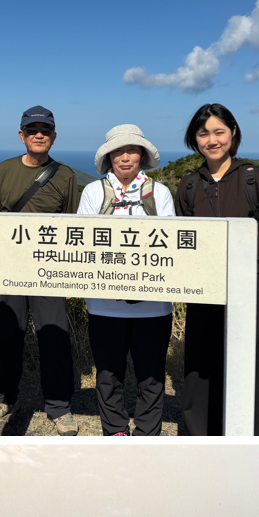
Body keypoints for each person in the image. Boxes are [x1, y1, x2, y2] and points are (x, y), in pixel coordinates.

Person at [174, 104, 259, 434]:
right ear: (194, 139)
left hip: (253, 291)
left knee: (250, 370)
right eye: (203, 133)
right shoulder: (188, 186)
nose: (212, 140)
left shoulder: (257, 180)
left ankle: (245, 442)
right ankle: (201, 443)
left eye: (219, 131)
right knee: (199, 373)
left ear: (233, 133)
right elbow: (183, 244)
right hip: (205, 294)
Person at [77, 126, 178, 436]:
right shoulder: (94, 192)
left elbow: (171, 246)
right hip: (104, 306)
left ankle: (147, 432)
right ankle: (115, 430)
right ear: (108, 157)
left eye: (132, 150)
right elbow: (81, 244)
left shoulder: (158, 193)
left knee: (152, 375)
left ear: (142, 155)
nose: (125, 157)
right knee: (108, 374)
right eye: (118, 151)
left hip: (154, 307)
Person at [0, 106, 82, 435]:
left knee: (54, 336)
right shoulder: (2, 171)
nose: (39, 134)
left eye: (45, 130)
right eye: (32, 130)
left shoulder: (66, 176)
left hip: (51, 272)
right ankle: (1, 397)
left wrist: (70, 276)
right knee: (7, 336)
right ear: (22, 135)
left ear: (54, 136)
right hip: (10, 269)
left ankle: (59, 406)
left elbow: (73, 226)